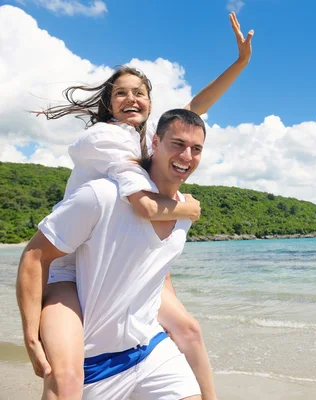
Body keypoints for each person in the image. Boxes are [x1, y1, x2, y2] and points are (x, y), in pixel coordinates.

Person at [24, 12, 253, 400]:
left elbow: (197, 106)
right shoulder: (108, 138)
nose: (131, 98)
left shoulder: (153, 138)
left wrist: (241, 63)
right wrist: (188, 209)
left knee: (190, 331)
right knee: (65, 375)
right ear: (110, 104)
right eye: (121, 93)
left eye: (139, 92)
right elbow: (145, 207)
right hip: (69, 265)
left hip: (117, 257)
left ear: (150, 103)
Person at [17, 109, 208, 399]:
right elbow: (35, 255)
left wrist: (178, 323)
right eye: (178, 144)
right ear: (155, 143)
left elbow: (158, 267)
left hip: (151, 349)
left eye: (196, 149)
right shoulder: (101, 196)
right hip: (94, 362)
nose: (186, 156)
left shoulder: (184, 211)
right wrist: (31, 335)